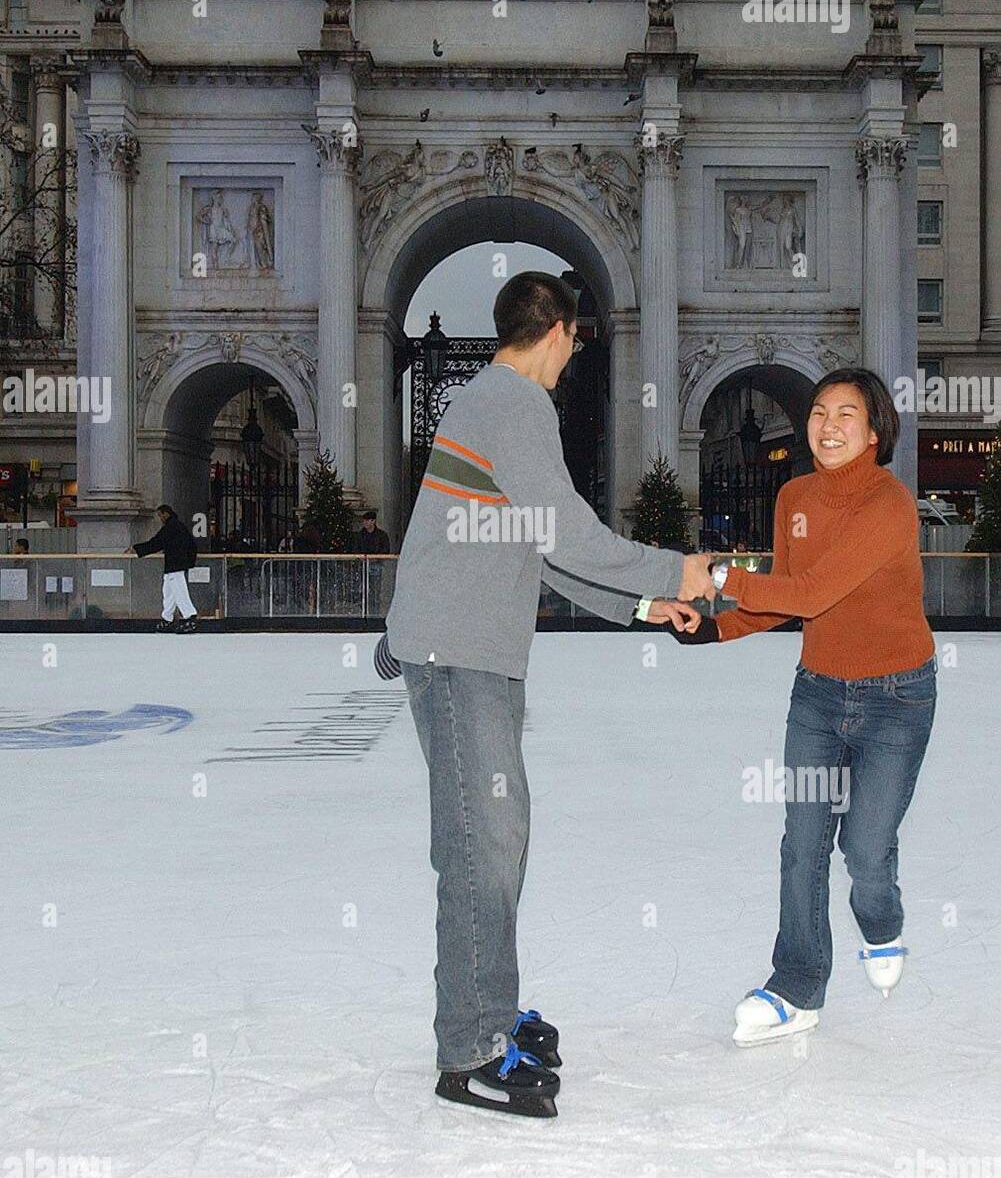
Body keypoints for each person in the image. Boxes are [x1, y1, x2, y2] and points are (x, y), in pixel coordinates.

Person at [380, 271, 715, 1117]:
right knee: (479, 848)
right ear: (560, 331)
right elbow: (566, 531)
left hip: (464, 649)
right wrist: (675, 567)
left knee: (498, 840)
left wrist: (643, 603)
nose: (575, 354)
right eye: (577, 339)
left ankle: (491, 1006)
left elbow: (538, 545)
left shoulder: (491, 403)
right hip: (458, 654)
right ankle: (471, 1048)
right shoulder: (515, 404)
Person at [667, 369, 936, 1047]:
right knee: (802, 845)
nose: (828, 425)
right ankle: (797, 985)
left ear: (874, 431)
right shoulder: (793, 496)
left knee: (866, 853)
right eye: (818, 411)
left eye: (847, 414)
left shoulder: (888, 503)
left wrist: (720, 575)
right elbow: (784, 601)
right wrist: (712, 624)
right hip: (817, 695)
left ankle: (880, 922)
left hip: (896, 698)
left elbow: (812, 591)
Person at [132, 505, 199, 633]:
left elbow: (157, 542)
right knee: (169, 592)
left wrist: (137, 549)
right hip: (175, 565)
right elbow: (191, 544)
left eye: (160, 515)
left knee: (180, 592)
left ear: (166, 514)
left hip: (175, 565)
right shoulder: (177, 526)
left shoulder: (171, 527)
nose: (160, 518)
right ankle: (167, 618)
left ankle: (189, 616)